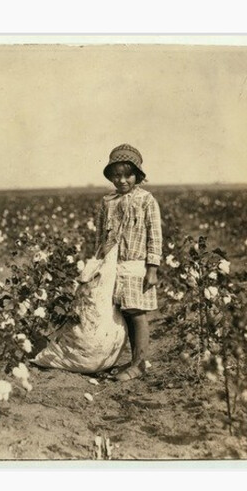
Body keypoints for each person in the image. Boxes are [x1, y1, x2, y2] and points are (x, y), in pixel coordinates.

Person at [95, 144, 163, 381]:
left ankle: (141, 362)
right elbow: (100, 236)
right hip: (113, 266)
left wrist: (152, 268)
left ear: (138, 176)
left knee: (136, 312)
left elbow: (154, 234)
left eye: (128, 175)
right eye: (117, 175)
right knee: (123, 312)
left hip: (136, 265)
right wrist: (99, 263)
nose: (122, 180)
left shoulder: (146, 200)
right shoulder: (107, 202)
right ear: (111, 176)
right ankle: (133, 360)